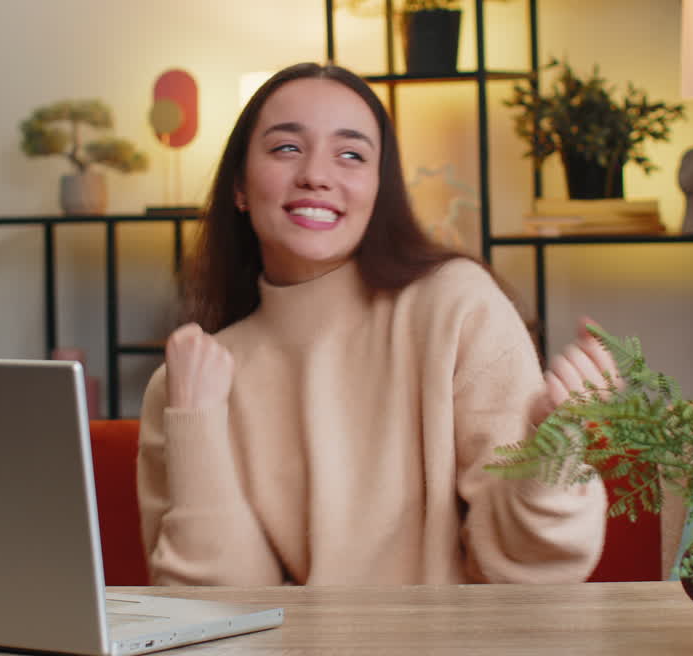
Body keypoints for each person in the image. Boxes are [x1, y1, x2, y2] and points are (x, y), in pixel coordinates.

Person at [137, 62, 615, 587]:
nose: (317, 175)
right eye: (286, 148)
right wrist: (196, 423)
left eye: (351, 155)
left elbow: (529, 572)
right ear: (239, 187)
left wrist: (553, 453)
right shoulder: (186, 384)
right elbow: (221, 616)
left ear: (379, 188)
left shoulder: (455, 307)